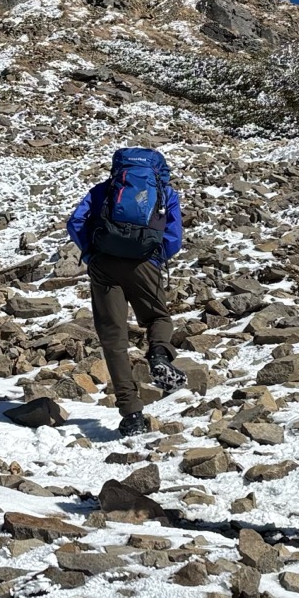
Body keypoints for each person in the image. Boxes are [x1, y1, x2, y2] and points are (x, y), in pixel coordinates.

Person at [65, 146, 187, 437]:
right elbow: (174, 237)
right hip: (145, 263)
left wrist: (91, 253)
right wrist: (156, 258)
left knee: (114, 338)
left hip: (105, 264)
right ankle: (158, 354)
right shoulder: (164, 192)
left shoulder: (104, 190)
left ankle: (131, 412)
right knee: (158, 317)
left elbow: (75, 222)